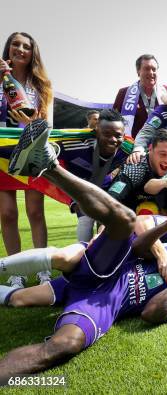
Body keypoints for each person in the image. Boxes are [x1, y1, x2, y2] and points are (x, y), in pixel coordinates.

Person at [0, 120, 167, 377]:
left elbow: (152, 313)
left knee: (61, 340)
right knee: (125, 221)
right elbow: (141, 235)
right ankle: (47, 164)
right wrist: (164, 232)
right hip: (106, 261)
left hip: (105, 301)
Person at [0, 32, 53, 288]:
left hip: (30, 150)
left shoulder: (41, 85)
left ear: (33, 53)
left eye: (26, 46)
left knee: (35, 211)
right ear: (8, 49)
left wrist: (29, 122)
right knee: (7, 214)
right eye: (15, 45)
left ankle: (42, 268)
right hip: (0, 155)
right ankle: (16, 270)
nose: (20, 49)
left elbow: (47, 124)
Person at [57, 109, 130, 242]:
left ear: (124, 135)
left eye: (118, 135)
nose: (112, 139)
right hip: (83, 191)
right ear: (96, 131)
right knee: (86, 219)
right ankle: (83, 252)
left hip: (110, 192)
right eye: (106, 134)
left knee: (109, 221)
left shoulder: (127, 151)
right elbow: (46, 148)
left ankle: (100, 255)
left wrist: (139, 151)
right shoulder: (74, 145)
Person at [107, 129, 167, 213]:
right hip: (127, 215)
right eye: (163, 154)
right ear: (150, 148)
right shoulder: (135, 168)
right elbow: (110, 200)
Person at [112, 54, 167, 137]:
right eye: (147, 69)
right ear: (138, 71)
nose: (151, 72)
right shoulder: (124, 93)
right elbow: (113, 122)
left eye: (154, 69)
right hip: (132, 147)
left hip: (162, 146)